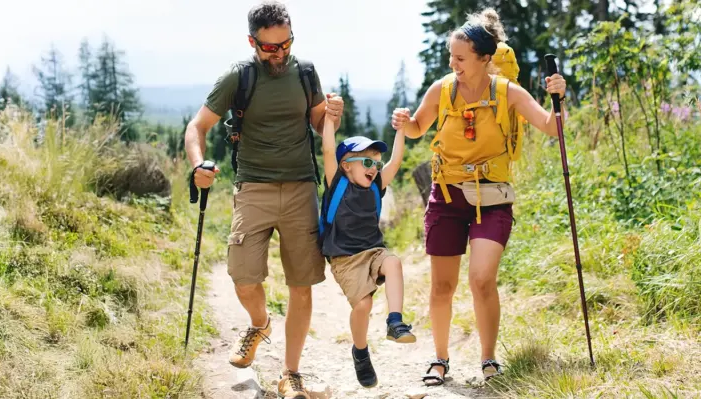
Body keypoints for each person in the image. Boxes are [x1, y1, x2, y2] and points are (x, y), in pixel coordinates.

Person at [390, 7, 568, 386]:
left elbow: (552, 127)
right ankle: (440, 359)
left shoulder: (508, 92)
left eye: (460, 58)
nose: (453, 64)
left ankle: (488, 359)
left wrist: (559, 98)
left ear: (485, 59)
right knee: (442, 286)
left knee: (482, 279)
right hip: (448, 195)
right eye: (451, 56)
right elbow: (422, 126)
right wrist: (407, 123)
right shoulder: (443, 89)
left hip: (492, 197)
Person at [183, 1, 344, 398]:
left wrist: (332, 116)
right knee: (242, 275)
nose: (279, 53)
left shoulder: (305, 72)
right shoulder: (238, 77)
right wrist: (199, 163)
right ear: (252, 41)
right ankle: (259, 322)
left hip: (301, 187)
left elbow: (319, 122)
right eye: (269, 47)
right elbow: (197, 126)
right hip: (252, 186)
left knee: (302, 284)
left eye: (285, 44)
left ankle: (291, 373)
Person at [317, 110, 414, 388]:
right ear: (346, 165)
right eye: (366, 161)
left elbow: (395, 160)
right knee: (363, 304)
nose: (373, 166)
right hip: (345, 258)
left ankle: (395, 322)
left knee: (393, 262)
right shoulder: (338, 183)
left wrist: (401, 129)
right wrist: (328, 119)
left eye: (375, 162)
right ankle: (360, 352)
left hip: (373, 251)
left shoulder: (376, 186)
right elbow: (326, 148)